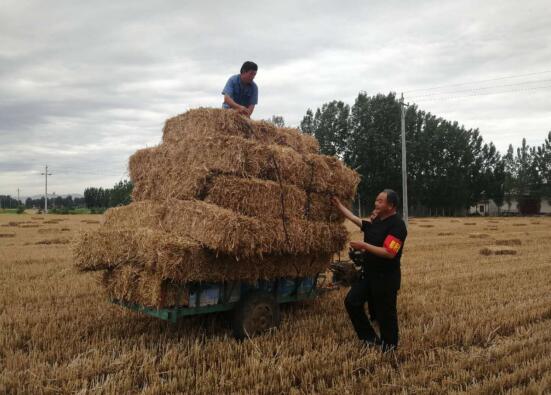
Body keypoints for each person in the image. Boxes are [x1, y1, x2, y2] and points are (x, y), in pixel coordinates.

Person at [331, 189, 407, 352]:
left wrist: (364, 246)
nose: (376, 203)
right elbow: (354, 218)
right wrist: (339, 205)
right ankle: (369, 338)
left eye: (380, 201)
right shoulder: (376, 222)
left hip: (386, 278)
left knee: (385, 314)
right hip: (368, 274)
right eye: (376, 200)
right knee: (352, 302)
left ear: (391, 206)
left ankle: (390, 348)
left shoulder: (398, 226)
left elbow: (389, 252)